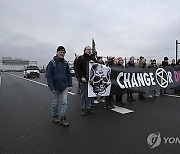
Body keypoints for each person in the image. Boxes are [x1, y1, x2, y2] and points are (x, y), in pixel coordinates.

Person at [47, 46, 72, 126]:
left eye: (63, 52)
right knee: (55, 102)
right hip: (55, 86)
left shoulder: (65, 63)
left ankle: (63, 118)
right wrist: (51, 87)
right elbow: (49, 76)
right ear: (57, 52)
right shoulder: (52, 63)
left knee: (64, 102)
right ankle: (55, 116)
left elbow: (69, 74)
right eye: (61, 52)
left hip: (64, 86)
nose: (62, 54)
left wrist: (70, 85)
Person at [76, 46, 96, 116]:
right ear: (84, 50)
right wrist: (81, 77)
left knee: (90, 95)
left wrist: (94, 62)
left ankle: (89, 108)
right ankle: (82, 109)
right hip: (83, 79)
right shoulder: (81, 58)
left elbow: (97, 67)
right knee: (83, 95)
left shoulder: (92, 58)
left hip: (91, 80)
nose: (89, 51)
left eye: (90, 49)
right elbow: (77, 68)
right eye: (88, 49)